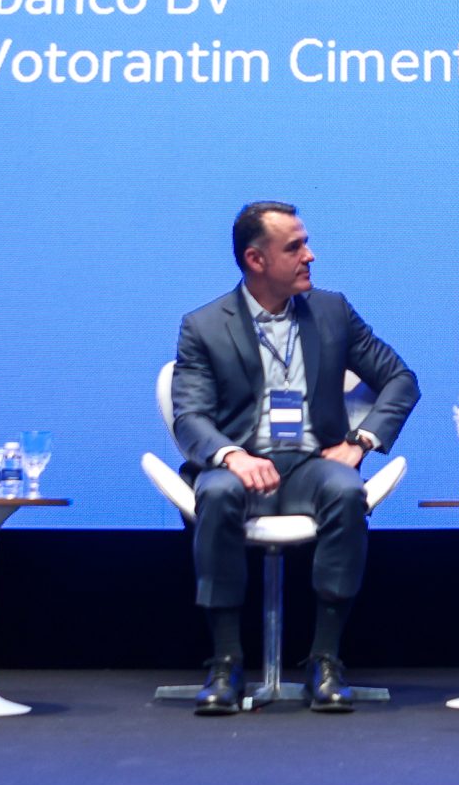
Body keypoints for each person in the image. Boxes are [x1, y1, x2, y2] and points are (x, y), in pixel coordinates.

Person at [170, 201, 418, 714]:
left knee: (346, 491)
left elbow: (400, 379)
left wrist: (361, 441)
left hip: (309, 464)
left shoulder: (332, 312)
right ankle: (225, 662)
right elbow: (189, 417)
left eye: (306, 243)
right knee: (214, 493)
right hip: (241, 467)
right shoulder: (203, 326)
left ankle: (326, 661)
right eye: (295, 247)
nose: (310, 255)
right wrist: (232, 455)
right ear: (256, 260)